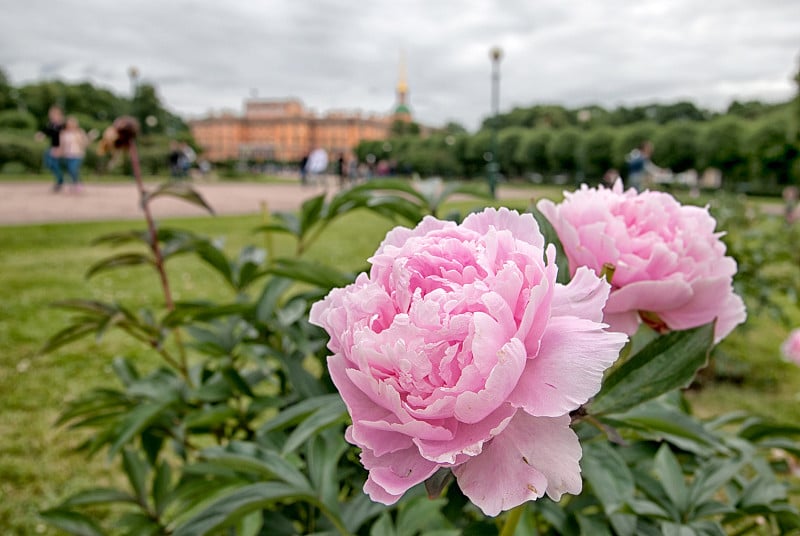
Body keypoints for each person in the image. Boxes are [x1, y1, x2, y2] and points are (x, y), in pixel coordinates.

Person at [38, 105, 66, 192]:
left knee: (54, 164)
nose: (51, 116)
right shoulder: (52, 124)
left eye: (53, 114)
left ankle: (60, 181)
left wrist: (60, 149)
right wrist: (41, 135)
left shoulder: (62, 125)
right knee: (49, 163)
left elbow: (64, 137)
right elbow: (47, 131)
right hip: (52, 146)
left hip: (58, 147)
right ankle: (59, 180)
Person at [59, 116, 89, 193]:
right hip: (67, 154)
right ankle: (75, 184)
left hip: (77, 154)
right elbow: (61, 144)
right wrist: (60, 152)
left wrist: (81, 140)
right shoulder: (64, 133)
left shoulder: (79, 132)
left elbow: (84, 143)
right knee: (70, 170)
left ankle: (77, 184)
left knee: (73, 169)